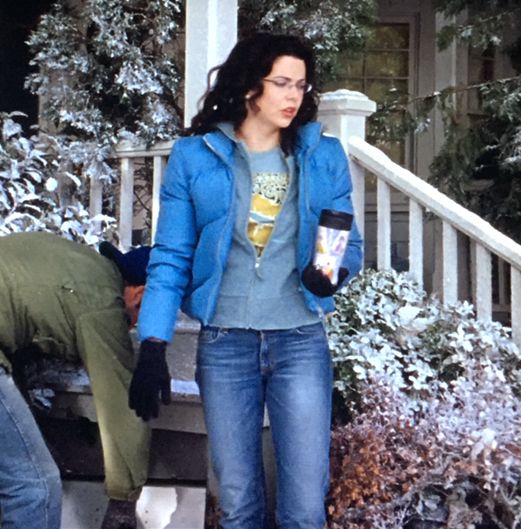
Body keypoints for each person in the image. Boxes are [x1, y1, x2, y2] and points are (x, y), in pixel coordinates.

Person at [131, 33, 363, 529]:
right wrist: (153, 343)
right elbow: (171, 257)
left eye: (301, 85)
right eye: (281, 82)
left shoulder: (322, 156)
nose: (293, 96)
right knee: (238, 506)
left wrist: (330, 275)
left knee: (304, 508)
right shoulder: (196, 158)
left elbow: (349, 245)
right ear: (249, 86)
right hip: (226, 344)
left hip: (300, 340)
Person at [0, 232, 152, 529]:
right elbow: (119, 402)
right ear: (140, 293)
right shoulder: (103, 302)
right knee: (35, 489)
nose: (133, 328)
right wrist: (123, 501)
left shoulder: (79, 265)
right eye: (140, 317)